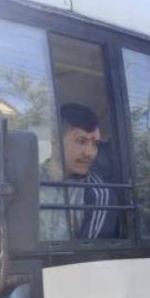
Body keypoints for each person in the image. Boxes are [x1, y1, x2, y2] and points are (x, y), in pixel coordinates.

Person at [40, 103, 121, 240]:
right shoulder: (26, 181)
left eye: (95, 144)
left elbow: (87, 259)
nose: (90, 153)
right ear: (56, 140)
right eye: (81, 141)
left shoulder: (98, 195)